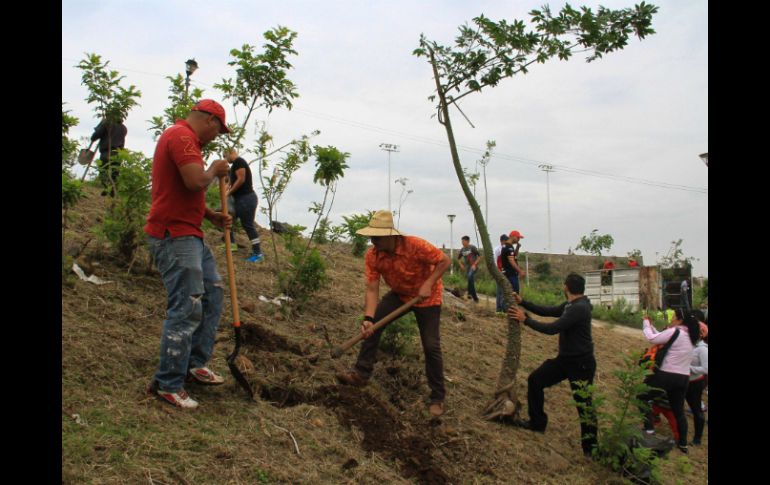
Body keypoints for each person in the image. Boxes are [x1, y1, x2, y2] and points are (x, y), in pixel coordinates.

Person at [144, 99, 233, 409]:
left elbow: (180, 190)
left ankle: (194, 363)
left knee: (213, 292)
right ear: (209, 120)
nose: (216, 136)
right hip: (175, 235)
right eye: (218, 130)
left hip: (190, 232)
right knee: (187, 305)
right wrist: (214, 170)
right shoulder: (182, 137)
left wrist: (209, 215)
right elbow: (195, 181)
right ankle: (168, 383)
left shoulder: (187, 140)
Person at [336, 210, 451, 417]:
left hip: (427, 297)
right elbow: (372, 289)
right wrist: (368, 318)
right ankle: (361, 374)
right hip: (399, 294)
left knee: (431, 345)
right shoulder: (373, 255)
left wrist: (429, 283)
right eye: (371, 237)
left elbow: (444, 261)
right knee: (373, 327)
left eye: (377, 237)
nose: (373, 241)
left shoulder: (416, 246)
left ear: (390, 235)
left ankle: (437, 397)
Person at [507, 273, 598, 457]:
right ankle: (537, 423)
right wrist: (523, 302)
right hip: (566, 360)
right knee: (535, 380)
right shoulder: (571, 305)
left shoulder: (578, 308)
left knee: (584, 405)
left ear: (566, 287)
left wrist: (526, 320)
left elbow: (552, 329)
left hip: (581, 364)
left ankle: (591, 450)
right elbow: (547, 310)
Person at [637, 308, 700, 453]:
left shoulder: (676, 332)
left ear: (679, 320)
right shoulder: (691, 336)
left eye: (673, 318)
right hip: (683, 378)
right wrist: (652, 326)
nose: (671, 320)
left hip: (666, 375)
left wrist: (646, 323)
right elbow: (661, 335)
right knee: (678, 411)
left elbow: (652, 338)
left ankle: (649, 429)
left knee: (641, 397)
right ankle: (683, 444)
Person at [225, 148, 264, 263]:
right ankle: (231, 244)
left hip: (246, 198)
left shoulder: (239, 161)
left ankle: (258, 253)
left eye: (225, 156)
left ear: (231, 153)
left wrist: (229, 192)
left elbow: (241, 179)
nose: (225, 159)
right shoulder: (233, 167)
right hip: (240, 199)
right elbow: (232, 182)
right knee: (228, 219)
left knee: (247, 225)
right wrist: (226, 188)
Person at [686, 310, 708, 445]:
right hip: (684, 381)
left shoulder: (703, 349)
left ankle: (697, 439)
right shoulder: (689, 345)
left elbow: (706, 369)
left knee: (696, 409)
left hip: (695, 382)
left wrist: (689, 368)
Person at [91, 118, 128, 197]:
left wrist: (100, 126)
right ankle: (112, 192)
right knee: (115, 174)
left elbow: (95, 136)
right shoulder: (124, 128)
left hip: (106, 152)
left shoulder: (107, 124)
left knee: (103, 171)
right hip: (118, 153)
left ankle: (106, 189)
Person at [501, 230, 526, 300]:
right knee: (514, 295)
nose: (519, 239)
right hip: (510, 274)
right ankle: (511, 309)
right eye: (518, 237)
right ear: (512, 236)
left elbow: (514, 256)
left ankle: (508, 309)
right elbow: (511, 261)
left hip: (509, 274)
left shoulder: (508, 246)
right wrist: (520, 271)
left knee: (510, 294)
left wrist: (517, 248)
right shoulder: (508, 247)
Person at [457, 236, 480, 303]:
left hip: (473, 267)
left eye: (463, 241)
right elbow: (458, 259)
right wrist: (461, 265)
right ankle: (475, 298)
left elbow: (479, 257)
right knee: (471, 282)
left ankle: (469, 293)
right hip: (467, 268)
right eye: (462, 241)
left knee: (470, 277)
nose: (462, 243)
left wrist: (474, 264)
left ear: (468, 241)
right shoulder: (462, 250)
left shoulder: (472, 247)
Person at [493, 234, 510, 313]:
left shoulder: (506, 249)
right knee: (500, 291)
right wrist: (497, 272)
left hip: (505, 272)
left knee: (504, 291)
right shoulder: (497, 249)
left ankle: (502, 308)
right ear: (502, 241)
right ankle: (499, 309)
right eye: (506, 240)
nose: (507, 242)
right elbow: (495, 261)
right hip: (499, 272)